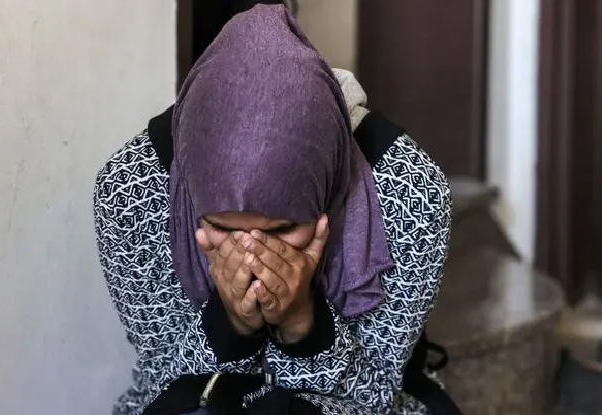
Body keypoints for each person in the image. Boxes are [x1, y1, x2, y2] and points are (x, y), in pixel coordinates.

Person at [94, 4, 453, 415]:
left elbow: (376, 391)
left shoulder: (409, 190)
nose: (252, 255)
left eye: (283, 230)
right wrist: (230, 324)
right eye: (222, 228)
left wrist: (302, 322)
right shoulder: (131, 189)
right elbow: (165, 375)